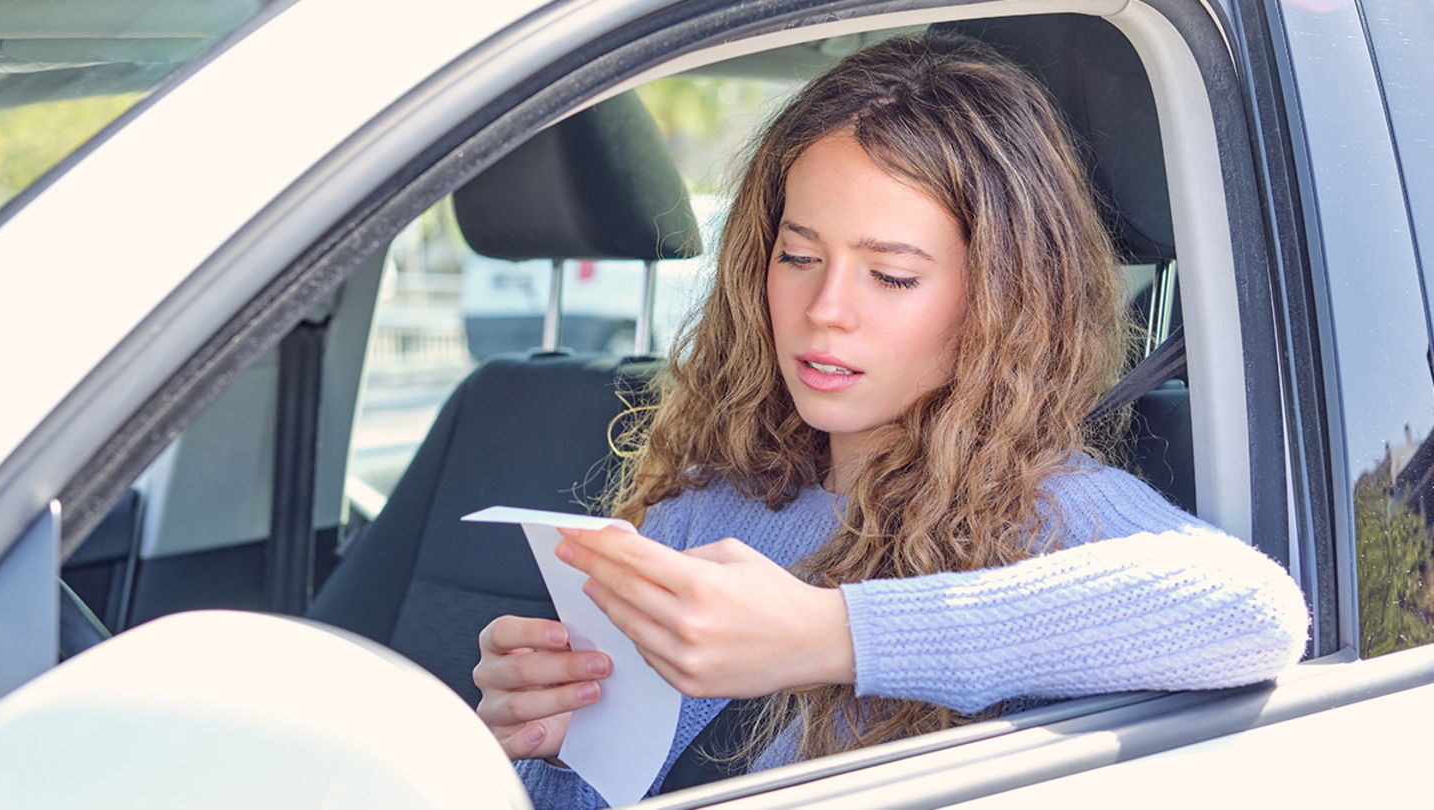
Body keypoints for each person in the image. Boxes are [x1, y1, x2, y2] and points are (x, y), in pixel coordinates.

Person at [471, 33, 1309, 807]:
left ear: (1000, 298)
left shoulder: (1050, 512)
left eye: (893, 276)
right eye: (798, 257)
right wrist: (540, 744)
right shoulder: (702, 508)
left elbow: (1255, 613)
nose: (824, 309)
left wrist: (835, 635)